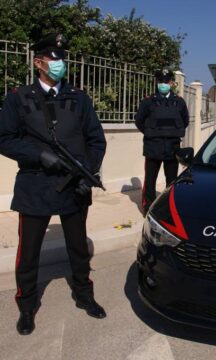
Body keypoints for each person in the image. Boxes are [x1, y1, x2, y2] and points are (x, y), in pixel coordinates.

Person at [0, 33, 107, 335]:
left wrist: (89, 169)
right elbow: (5, 139)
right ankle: (26, 305)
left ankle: (84, 296)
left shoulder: (79, 98)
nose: (60, 63)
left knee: (77, 246)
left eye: (63, 58)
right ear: (38, 61)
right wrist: (40, 156)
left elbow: (95, 140)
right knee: (29, 251)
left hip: (74, 185)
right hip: (35, 185)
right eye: (54, 58)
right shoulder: (18, 97)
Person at [135, 69, 189, 214]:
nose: (163, 84)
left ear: (171, 83)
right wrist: (152, 133)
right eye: (160, 82)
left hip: (172, 147)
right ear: (156, 82)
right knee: (150, 180)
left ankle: (169, 207)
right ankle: (148, 208)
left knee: (171, 181)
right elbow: (139, 121)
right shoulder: (148, 101)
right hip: (153, 147)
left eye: (166, 81)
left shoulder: (179, 102)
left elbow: (185, 121)